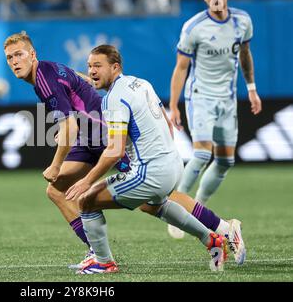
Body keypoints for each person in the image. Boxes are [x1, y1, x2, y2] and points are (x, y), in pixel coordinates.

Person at [66, 44, 242, 274]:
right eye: (89, 66)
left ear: (115, 67)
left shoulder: (113, 99)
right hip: (174, 164)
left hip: (151, 172)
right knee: (153, 206)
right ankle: (213, 240)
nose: (92, 71)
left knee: (85, 201)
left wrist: (86, 181)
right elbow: (166, 124)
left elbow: (114, 151)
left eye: (98, 66)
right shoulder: (141, 83)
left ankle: (103, 262)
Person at [3, 31, 130, 268]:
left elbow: (69, 128)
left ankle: (216, 230)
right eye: (9, 58)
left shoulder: (43, 80)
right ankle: (98, 254)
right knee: (56, 191)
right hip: (88, 137)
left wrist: (55, 165)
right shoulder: (49, 68)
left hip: (104, 136)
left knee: (152, 200)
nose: (14, 62)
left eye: (19, 55)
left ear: (32, 54)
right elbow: (77, 79)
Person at [168, 0, 262, 238]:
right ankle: (177, 209)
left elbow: (245, 53)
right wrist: (174, 105)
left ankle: (198, 207)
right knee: (200, 155)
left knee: (225, 161)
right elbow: (181, 68)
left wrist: (251, 88)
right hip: (201, 97)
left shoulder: (243, 21)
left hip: (228, 100)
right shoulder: (194, 26)